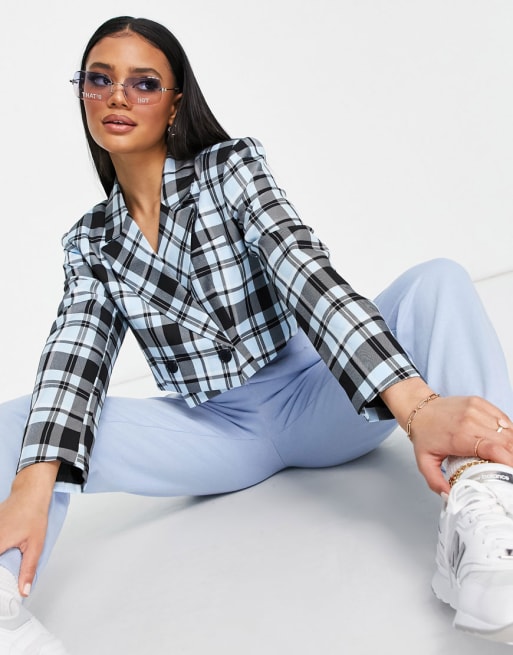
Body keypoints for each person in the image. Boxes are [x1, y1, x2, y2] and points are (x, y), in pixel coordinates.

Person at [0, 15, 513, 654]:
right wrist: (33, 481)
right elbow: (74, 358)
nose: (118, 97)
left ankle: (488, 511)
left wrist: (419, 406)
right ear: (82, 92)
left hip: (321, 399)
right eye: (100, 80)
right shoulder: (91, 242)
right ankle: (6, 603)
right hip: (217, 435)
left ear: (175, 101)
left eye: (144, 83)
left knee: (437, 280)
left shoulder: (230, 169)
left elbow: (305, 273)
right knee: (26, 424)